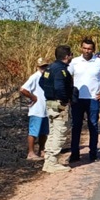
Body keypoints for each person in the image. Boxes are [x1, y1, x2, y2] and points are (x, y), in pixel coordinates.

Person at [69, 38, 100, 163]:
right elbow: (66, 77)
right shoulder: (74, 62)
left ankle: (93, 153)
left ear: (93, 50)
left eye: (89, 49)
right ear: (81, 48)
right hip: (77, 99)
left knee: (93, 126)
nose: (86, 51)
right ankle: (74, 154)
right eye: (84, 48)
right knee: (76, 126)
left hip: (93, 99)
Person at [39, 45, 73, 173]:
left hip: (50, 103)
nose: (71, 57)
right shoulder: (60, 70)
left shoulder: (50, 68)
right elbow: (60, 88)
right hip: (59, 104)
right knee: (60, 132)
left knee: (52, 132)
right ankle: (52, 162)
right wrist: (65, 100)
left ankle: (48, 161)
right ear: (67, 56)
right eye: (71, 54)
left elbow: (41, 83)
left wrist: (50, 93)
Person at [19, 58, 49, 160]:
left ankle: (42, 150)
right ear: (37, 67)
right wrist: (33, 97)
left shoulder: (46, 77)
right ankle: (31, 153)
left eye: (45, 66)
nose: (44, 68)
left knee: (44, 132)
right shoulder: (35, 77)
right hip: (36, 109)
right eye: (42, 66)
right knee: (33, 131)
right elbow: (23, 89)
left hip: (45, 109)